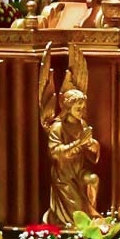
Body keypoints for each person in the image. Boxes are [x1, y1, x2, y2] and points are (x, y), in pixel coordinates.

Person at [44, 89, 101, 225]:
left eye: (82, 107)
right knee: (77, 215)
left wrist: (92, 145)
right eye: (78, 108)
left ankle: (92, 213)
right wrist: (78, 143)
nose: (81, 110)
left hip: (79, 170)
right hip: (64, 176)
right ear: (68, 108)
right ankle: (75, 222)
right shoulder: (57, 127)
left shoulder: (82, 124)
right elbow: (55, 152)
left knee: (93, 180)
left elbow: (89, 147)